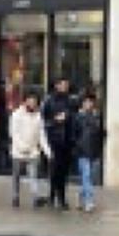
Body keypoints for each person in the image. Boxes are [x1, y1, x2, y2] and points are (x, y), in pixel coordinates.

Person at [7, 91, 49, 208]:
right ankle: (15, 196)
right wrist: (22, 147)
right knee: (16, 175)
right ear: (25, 101)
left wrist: (48, 151)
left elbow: (42, 135)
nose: (32, 103)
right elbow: (13, 133)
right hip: (18, 152)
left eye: (34, 102)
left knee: (33, 175)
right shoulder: (16, 115)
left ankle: (35, 197)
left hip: (33, 152)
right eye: (30, 101)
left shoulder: (38, 116)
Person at [42, 78, 79, 209]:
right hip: (54, 140)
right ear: (57, 86)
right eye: (63, 85)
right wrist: (55, 121)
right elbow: (43, 121)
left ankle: (62, 197)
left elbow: (75, 120)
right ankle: (52, 196)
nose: (65, 87)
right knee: (54, 169)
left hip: (67, 141)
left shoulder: (71, 101)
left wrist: (73, 139)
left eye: (67, 85)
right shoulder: (49, 101)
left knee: (64, 171)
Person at [70, 92, 106, 213]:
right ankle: (89, 201)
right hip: (82, 151)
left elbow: (102, 134)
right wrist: (76, 146)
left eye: (90, 102)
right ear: (82, 103)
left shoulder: (97, 117)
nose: (88, 104)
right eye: (86, 102)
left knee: (86, 177)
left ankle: (81, 199)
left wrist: (99, 148)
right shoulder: (78, 117)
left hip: (93, 151)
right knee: (87, 176)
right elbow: (73, 135)